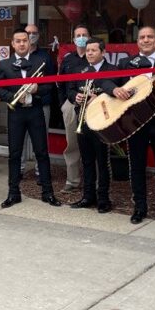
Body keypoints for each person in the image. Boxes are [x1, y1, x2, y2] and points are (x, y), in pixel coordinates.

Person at [102, 26, 155, 224]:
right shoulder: (126, 63)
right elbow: (106, 82)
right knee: (137, 166)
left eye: (150, 37)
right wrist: (115, 90)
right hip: (136, 123)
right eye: (142, 37)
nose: (146, 40)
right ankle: (139, 208)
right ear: (137, 41)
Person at [0, 28, 61, 208]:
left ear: (29, 42)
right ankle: (13, 193)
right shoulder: (4, 65)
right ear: (13, 44)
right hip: (16, 113)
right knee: (14, 154)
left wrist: (38, 89)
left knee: (42, 152)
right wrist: (12, 97)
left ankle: (48, 193)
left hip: (35, 111)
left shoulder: (41, 61)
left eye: (25, 40)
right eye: (18, 41)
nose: (22, 43)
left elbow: (50, 86)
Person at [67, 38, 115, 213]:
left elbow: (118, 94)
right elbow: (70, 90)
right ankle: (88, 196)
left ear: (103, 52)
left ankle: (103, 198)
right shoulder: (79, 69)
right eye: (88, 50)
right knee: (86, 161)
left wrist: (99, 98)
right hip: (83, 120)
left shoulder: (112, 70)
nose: (90, 53)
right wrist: (75, 97)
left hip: (102, 122)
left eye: (94, 50)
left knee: (102, 161)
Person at [21, 23, 56, 183]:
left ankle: (40, 171)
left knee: (41, 139)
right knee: (20, 139)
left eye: (34, 33)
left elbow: (51, 82)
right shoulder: (18, 56)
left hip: (41, 103)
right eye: (28, 32)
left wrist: (38, 90)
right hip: (21, 104)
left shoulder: (45, 56)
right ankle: (19, 169)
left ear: (38, 36)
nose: (31, 35)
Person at [57, 25, 91, 191]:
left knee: (94, 143)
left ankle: (95, 182)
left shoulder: (94, 57)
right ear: (74, 39)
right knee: (72, 144)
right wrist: (64, 104)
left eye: (84, 34)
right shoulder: (68, 59)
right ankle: (73, 181)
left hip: (93, 106)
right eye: (78, 35)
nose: (81, 37)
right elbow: (61, 84)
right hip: (71, 105)